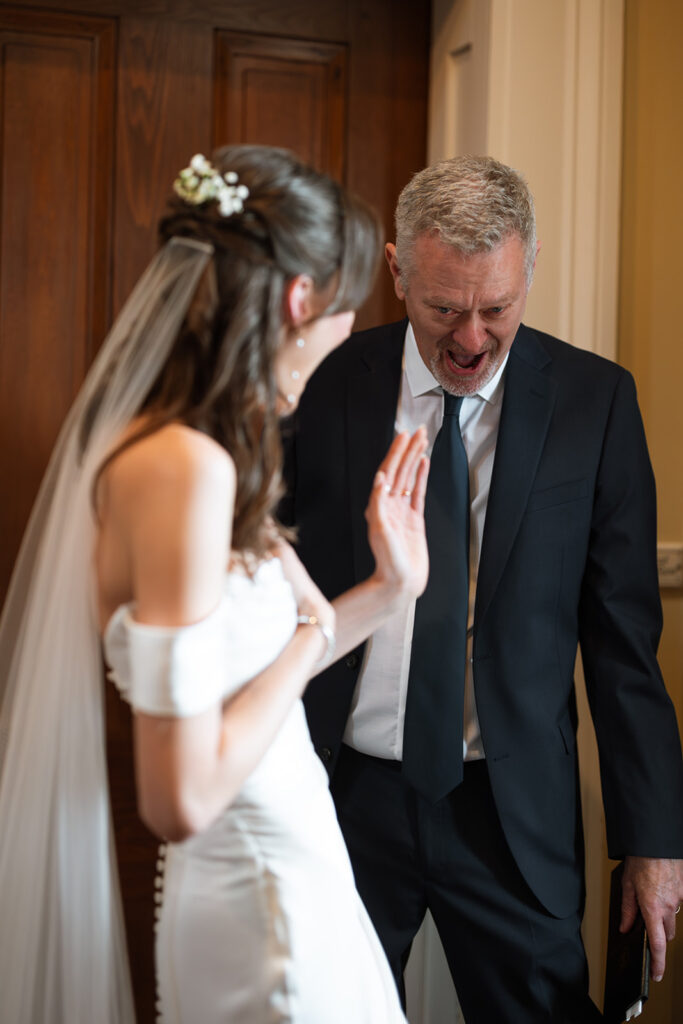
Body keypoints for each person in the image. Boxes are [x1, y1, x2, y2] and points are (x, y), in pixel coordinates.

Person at [0, 145, 432, 1024]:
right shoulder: (181, 469)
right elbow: (180, 796)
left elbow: (263, 672)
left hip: (296, 877)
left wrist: (392, 587)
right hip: (261, 899)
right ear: (300, 300)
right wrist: (313, 634)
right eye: (348, 305)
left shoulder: (210, 456)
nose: (349, 332)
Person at [284, 155, 683, 1022]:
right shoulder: (320, 387)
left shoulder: (596, 403)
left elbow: (622, 648)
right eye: (441, 308)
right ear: (396, 271)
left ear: (529, 268)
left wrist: (652, 842)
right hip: (341, 791)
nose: (469, 339)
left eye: (495, 308)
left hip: (511, 814)